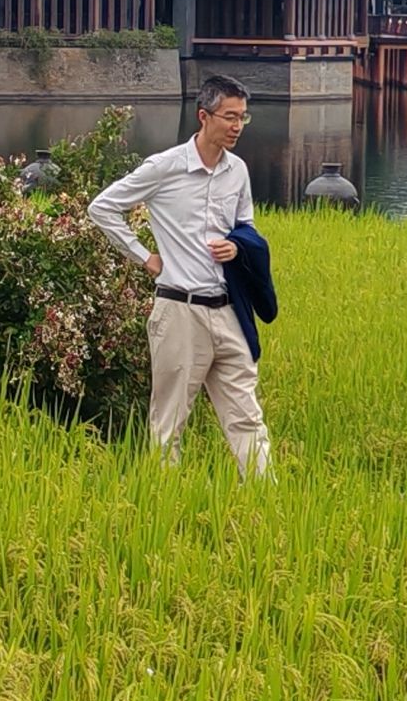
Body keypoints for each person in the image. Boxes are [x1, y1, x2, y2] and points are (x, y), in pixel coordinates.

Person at [88, 73, 271, 476]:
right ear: (203, 116)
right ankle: (164, 504)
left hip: (228, 312)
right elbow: (102, 207)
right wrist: (144, 257)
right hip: (179, 311)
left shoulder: (237, 170)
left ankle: (266, 500)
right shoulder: (165, 167)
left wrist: (238, 246)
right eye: (229, 116)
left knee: (247, 415)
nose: (237, 125)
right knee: (170, 422)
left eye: (243, 117)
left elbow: (247, 228)